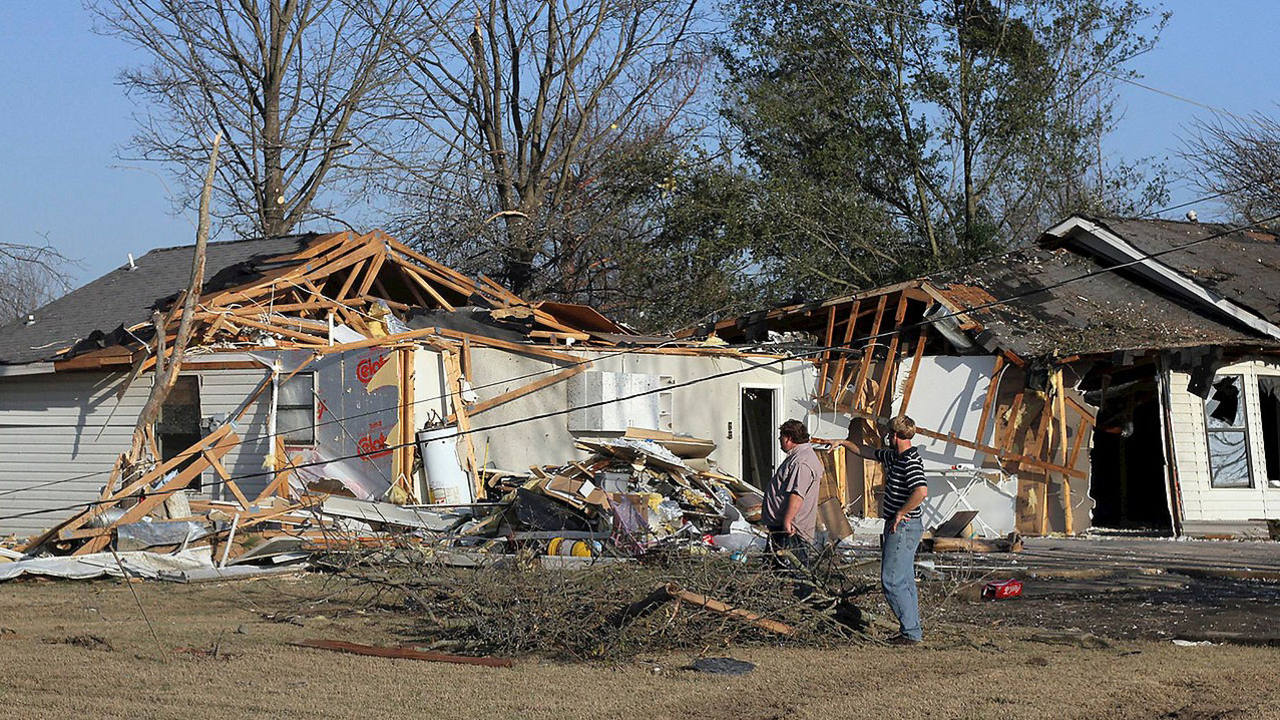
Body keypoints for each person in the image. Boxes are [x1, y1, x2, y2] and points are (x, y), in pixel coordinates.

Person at [818, 415, 928, 644]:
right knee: (905, 579)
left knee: (891, 580)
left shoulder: (910, 460)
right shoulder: (892, 456)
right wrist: (841, 442)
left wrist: (901, 512)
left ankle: (910, 632)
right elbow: (865, 451)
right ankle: (912, 629)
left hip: (904, 526)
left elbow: (921, 491)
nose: (886, 437)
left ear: (896, 435)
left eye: (889, 434)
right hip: (899, 524)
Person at [760, 419, 823, 569]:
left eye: (781, 436)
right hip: (782, 525)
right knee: (774, 566)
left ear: (788, 438)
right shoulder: (798, 456)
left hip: (791, 528)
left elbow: (797, 494)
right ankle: (773, 590)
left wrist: (788, 520)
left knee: (797, 567)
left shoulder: (802, 462)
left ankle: (802, 591)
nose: (779, 440)